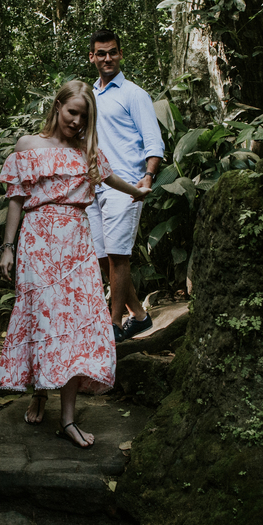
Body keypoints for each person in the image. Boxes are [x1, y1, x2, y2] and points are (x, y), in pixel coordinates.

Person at [0, 80, 151, 448]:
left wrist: (136, 190)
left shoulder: (87, 152)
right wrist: (7, 247)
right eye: (72, 112)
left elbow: (110, 179)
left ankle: (67, 419)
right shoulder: (28, 146)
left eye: (84, 116)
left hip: (77, 243)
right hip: (37, 241)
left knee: (76, 326)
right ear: (57, 107)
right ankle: (39, 391)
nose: (78, 121)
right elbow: (16, 200)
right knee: (42, 317)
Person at [86, 29, 164, 342]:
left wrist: (148, 175)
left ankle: (114, 325)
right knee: (102, 256)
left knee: (118, 255)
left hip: (126, 185)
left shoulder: (134, 94)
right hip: (94, 186)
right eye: (101, 53)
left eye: (113, 52)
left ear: (120, 54)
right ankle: (140, 316)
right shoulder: (89, 95)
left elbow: (153, 140)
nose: (108, 58)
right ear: (91, 57)